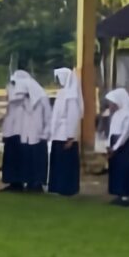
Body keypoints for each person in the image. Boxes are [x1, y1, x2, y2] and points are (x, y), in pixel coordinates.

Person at [46, 68, 83, 197]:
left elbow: (73, 116)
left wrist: (70, 137)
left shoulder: (71, 95)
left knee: (65, 163)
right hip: (58, 133)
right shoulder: (62, 93)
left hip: (65, 134)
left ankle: (66, 187)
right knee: (58, 162)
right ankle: (56, 186)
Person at [102, 88, 129, 205]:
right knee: (115, 169)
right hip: (113, 142)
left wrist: (116, 147)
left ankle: (125, 195)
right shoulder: (116, 114)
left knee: (123, 168)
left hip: (122, 144)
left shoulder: (128, 113)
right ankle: (117, 193)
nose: (110, 105)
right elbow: (111, 131)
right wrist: (108, 146)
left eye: (112, 102)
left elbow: (126, 132)